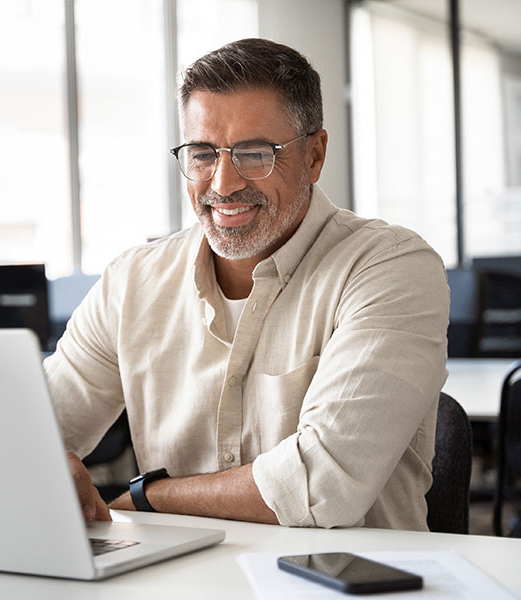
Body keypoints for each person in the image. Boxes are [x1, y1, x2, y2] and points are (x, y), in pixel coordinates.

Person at [43, 38, 448, 530]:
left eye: (255, 153)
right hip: (178, 579)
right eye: (202, 154)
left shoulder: (390, 267)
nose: (223, 183)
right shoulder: (131, 282)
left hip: (342, 581)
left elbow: (322, 485)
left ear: (315, 155)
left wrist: (148, 498)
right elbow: (35, 429)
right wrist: (34, 464)